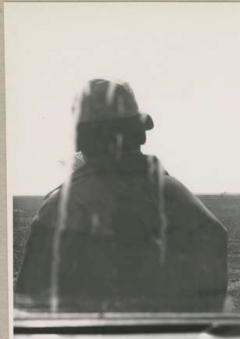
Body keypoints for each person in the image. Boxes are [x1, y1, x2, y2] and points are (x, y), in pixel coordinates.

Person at [15, 78, 228, 312]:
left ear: (83, 141)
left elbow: (29, 304)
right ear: (139, 134)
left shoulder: (61, 206)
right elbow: (214, 250)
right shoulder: (176, 194)